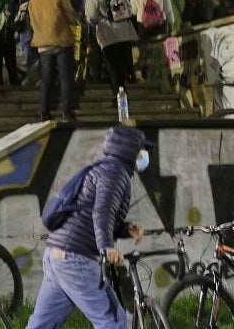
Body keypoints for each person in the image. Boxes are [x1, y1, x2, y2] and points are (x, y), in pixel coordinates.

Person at [25, 126, 148, 329]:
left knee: (42, 325)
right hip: (75, 258)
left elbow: (90, 215)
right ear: (129, 150)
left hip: (57, 255)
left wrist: (125, 230)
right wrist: (107, 247)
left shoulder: (105, 168)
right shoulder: (115, 173)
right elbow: (102, 212)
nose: (144, 156)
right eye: (141, 150)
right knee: (113, 321)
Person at [27, 0, 77, 122]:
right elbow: (71, 18)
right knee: (65, 77)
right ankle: (67, 112)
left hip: (43, 43)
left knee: (46, 78)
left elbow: (32, 22)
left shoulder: (33, 0)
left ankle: (44, 111)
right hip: (61, 41)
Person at [84, 0, 137, 93]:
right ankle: (123, 95)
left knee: (113, 68)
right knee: (122, 68)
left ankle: (119, 99)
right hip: (124, 34)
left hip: (108, 36)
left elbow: (91, 16)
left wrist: (95, 23)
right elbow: (131, 11)